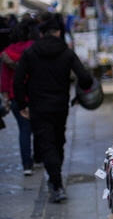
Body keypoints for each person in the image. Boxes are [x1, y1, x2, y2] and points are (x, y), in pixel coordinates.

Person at [13, 13, 93, 203]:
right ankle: (56, 181)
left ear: (42, 34)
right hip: (60, 105)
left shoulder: (30, 53)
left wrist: (23, 104)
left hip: (38, 106)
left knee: (46, 143)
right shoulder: (66, 52)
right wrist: (79, 96)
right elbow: (86, 78)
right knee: (58, 142)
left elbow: (18, 81)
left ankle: (56, 183)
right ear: (58, 32)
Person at [1, 18, 37, 175]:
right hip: (35, 94)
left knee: (24, 130)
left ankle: (27, 165)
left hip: (16, 97)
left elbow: (4, 78)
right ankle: (39, 156)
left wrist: (5, 97)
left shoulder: (7, 54)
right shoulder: (34, 50)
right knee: (38, 128)